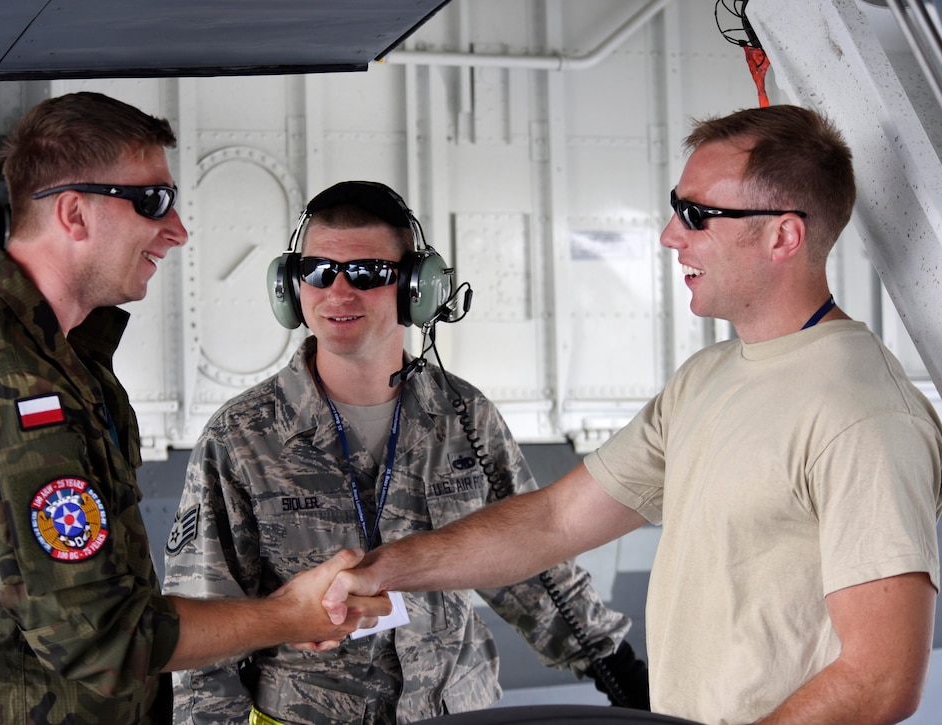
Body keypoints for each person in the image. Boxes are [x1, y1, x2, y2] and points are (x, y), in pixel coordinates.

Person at [321, 106, 942, 725]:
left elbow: (880, 677)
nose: (671, 235)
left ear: (783, 236)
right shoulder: (707, 378)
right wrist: (384, 570)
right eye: (677, 207)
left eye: (698, 215)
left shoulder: (865, 416)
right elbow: (556, 522)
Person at [0, 92, 389, 725]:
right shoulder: (15, 387)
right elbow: (104, 635)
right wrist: (284, 616)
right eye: (152, 201)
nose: (178, 230)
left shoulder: (47, 350)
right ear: (74, 213)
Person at [162, 180, 649, 725]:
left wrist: (616, 666)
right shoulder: (242, 436)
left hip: (454, 712)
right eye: (318, 272)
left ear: (417, 288)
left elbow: (531, 563)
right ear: (291, 287)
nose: (339, 293)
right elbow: (205, 622)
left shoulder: (464, 416)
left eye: (368, 273)